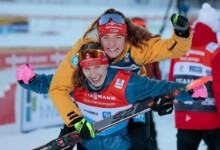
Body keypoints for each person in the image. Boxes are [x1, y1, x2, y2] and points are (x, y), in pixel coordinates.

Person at [47, 8, 193, 150]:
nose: (112, 44)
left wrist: (181, 33)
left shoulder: (136, 48)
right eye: (106, 38)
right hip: (94, 102)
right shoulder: (85, 49)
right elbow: (58, 86)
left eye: (117, 37)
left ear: (126, 36)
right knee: (83, 135)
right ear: (98, 38)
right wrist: (76, 120)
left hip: (130, 100)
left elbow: (169, 48)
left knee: (141, 143)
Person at [16, 43, 207, 150]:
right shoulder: (75, 80)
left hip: (120, 145)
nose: (93, 74)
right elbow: (47, 83)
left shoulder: (128, 83)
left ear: (107, 64)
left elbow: (162, 88)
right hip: (87, 144)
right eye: (88, 69)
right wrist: (29, 80)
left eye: (97, 67)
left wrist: (190, 91)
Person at [168, 3, 220, 150]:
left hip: (184, 119)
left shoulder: (180, 49)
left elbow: (171, 82)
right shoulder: (215, 51)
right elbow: (218, 89)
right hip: (212, 120)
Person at [131, 17, 161, 150]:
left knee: (144, 126)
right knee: (147, 126)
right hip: (142, 94)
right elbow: (157, 70)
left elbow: (156, 69)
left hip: (140, 95)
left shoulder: (131, 47)